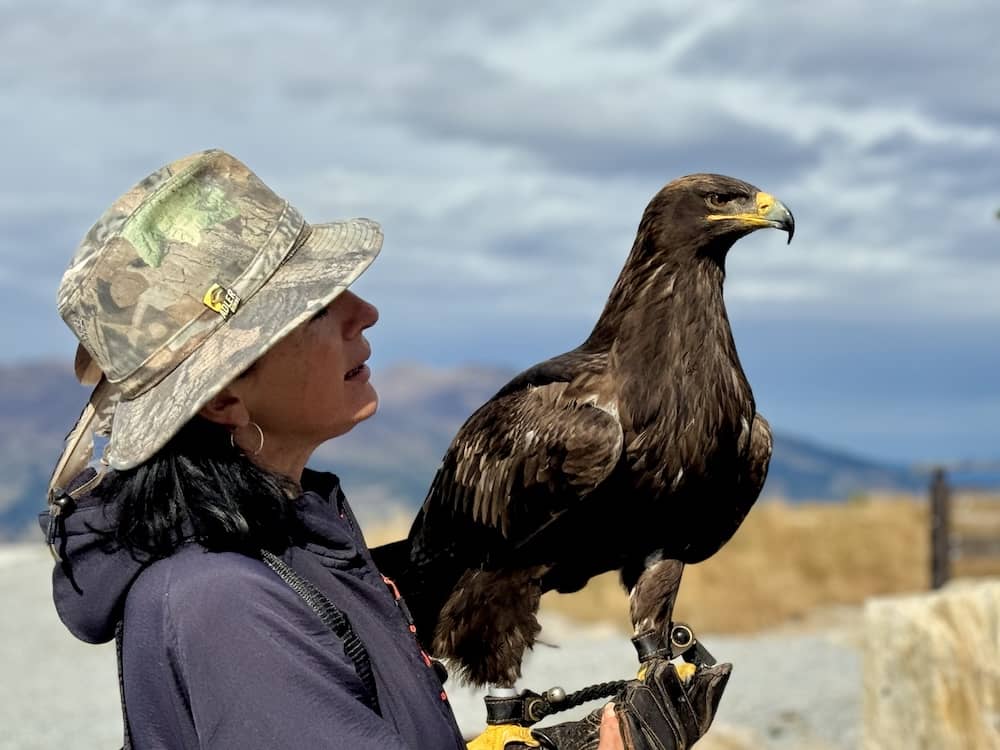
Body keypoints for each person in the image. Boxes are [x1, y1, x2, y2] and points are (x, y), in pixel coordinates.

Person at [42, 149, 730, 749]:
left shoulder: (296, 546)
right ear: (224, 399)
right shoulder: (225, 606)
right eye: (314, 309)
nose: (362, 312)